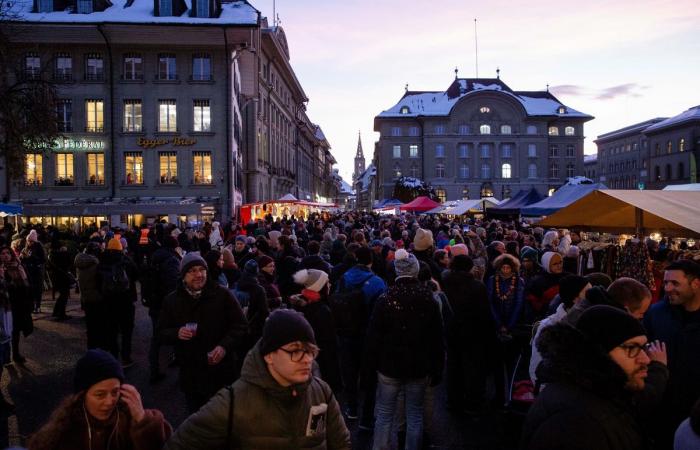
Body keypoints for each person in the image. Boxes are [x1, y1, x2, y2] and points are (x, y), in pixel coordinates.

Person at [163, 309, 352, 450]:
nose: (307, 359)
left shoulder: (321, 392)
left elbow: (341, 443)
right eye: (295, 351)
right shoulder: (233, 403)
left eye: (310, 351)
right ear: (269, 355)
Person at [521, 305, 665, 450]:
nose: (646, 359)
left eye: (643, 347)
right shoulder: (577, 424)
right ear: (600, 353)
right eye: (632, 348)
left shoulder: (606, 395)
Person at [364, 249, 444, 450]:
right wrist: (437, 367)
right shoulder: (428, 298)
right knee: (414, 414)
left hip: (389, 366)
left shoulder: (385, 298)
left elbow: (373, 337)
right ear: (416, 271)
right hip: (419, 366)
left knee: (384, 413)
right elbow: (437, 337)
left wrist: (370, 366)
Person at [27, 349, 172, 450]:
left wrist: (143, 421)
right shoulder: (65, 429)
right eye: (100, 395)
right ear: (82, 395)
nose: (110, 401)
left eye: (115, 392)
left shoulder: (128, 418)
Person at [157, 253, 248, 413]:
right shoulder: (172, 301)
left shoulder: (222, 295)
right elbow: (160, 333)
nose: (198, 274)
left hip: (222, 371)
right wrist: (176, 333)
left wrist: (223, 347)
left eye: (201, 270)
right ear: (183, 275)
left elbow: (240, 325)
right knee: (196, 419)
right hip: (191, 373)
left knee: (224, 417)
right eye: (192, 271)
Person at [644, 259, 700, 449]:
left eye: (675, 283)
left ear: (695, 284)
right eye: (666, 282)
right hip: (662, 406)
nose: (667, 288)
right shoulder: (656, 313)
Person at [335, 246, 387, 425]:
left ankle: (352, 407)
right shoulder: (377, 282)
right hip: (368, 334)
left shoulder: (344, 278)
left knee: (349, 372)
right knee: (369, 376)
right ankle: (367, 417)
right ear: (371, 261)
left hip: (346, 332)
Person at [441, 254, 494, 414]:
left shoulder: (445, 283)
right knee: (473, 368)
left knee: (453, 366)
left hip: (451, 331)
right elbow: (485, 313)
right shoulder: (477, 286)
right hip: (472, 333)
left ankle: (453, 400)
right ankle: (473, 402)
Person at [529, 275, 591, 386]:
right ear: (575, 298)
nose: (592, 296)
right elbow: (536, 370)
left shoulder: (590, 323)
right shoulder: (548, 327)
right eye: (587, 292)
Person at [290, 268, 342, 394]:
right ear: (319, 287)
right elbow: (329, 344)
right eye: (327, 282)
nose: (329, 284)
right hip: (321, 364)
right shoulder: (322, 311)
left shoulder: (299, 304)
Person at [97, 238, 138, 366]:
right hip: (125, 300)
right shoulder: (126, 261)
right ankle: (126, 357)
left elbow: (97, 282)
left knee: (112, 330)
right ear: (121, 247)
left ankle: (113, 357)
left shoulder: (102, 261)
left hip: (108, 301)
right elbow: (136, 275)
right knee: (127, 331)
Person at [0, 245, 33, 364]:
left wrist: (23, 276)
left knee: (15, 331)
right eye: (2, 253)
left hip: (18, 304)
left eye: (8, 253)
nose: (5, 255)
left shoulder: (19, 267)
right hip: (5, 305)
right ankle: (6, 356)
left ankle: (15, 354)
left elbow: (27, 287)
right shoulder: (1, 269)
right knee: (4, 331)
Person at [21, 229, 45, 313]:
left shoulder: (39, 248)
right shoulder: (25, 249)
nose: (29, 242)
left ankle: (37, 306)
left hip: (37, 272)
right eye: (28, 241)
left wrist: (32, 257)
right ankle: (32, 306)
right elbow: (21, 260)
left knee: (37, 290)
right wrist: (23, 257)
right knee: (30, 290)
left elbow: (42, 260)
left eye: (31, 241)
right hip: (28, 272)